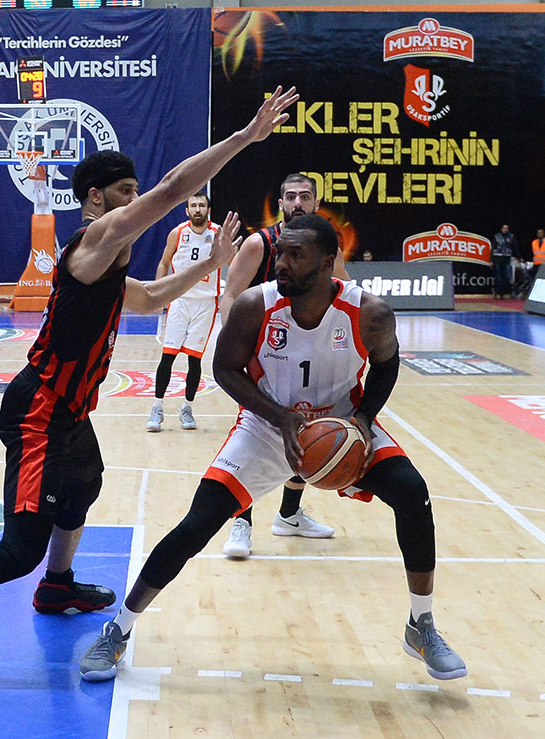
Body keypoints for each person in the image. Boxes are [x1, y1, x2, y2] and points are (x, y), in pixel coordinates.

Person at [0, 85, 299, 685]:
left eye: (135, 193)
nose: (135, 202)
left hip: (70, 410)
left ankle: (57, 586)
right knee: (18, 550)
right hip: (39, 410)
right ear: (96, 198)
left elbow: (151, 298)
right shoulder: (95, 241)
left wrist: (212, 264)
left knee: (86, 481)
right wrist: (245, 137)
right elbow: (173, 190)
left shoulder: (107, 263)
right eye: (126, 193)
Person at [80, 213, 468, 684]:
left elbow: (387, 364)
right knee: (197, 524)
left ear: (327, 263)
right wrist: (280, 417)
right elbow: (225, 369)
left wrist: (364, 419)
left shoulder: (370, 313)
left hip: (340, 426)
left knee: (412, 491)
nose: (280, 263)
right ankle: (118, 629)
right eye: (279, 252)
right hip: (266, 426)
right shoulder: (255, 306)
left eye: (294, 255)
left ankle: (421, 624)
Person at [218, 173, 346, 558]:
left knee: (307, 431)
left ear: (316, 203)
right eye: (291, 197)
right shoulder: (260, 243)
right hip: (264, 355)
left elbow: (345, 294)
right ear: (281, 204)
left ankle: (289, 515)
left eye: (305, 197)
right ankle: (241, 523)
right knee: (252, 440)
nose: (298, 203)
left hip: (308, 353)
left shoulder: (327, 246)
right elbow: (230, 295)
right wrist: (237, 348)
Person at [146, 192, 221, 432]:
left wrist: (233, 293)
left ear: (208, 210)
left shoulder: (218, 234)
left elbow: (236, 262)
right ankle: (157, 408)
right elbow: (163, 263)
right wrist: (158, 293)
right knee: (168, 356)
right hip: (180, 300)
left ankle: (187, 408)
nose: (197, 209)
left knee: (194, 359)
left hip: (206, 302)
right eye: (193, 205)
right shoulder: (177, 233)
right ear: (187, 210)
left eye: (201, 205)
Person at [490, 224, 520, 299]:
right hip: (497, 259)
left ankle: (498, 290)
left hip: (507, 259)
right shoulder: (496, 237)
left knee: (507, 276)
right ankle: (500, 293)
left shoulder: (511, 237)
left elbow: (515, 247)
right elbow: (493, 248)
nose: (505, 229)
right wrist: (491, 260)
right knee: (498, 276)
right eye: (504, 228)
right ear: (501, 229)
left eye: (506, 228)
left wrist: (519, 257)